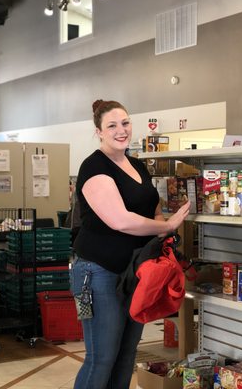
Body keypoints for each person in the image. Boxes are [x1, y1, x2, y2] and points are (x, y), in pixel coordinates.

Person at [70, 99, 190, 389]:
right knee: (101, 358)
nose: (121, 130)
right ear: (99, 131)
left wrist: (161, 220)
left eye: (125, 123)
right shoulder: (94, 167)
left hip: (135, 273)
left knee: (125, 356)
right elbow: (120, 220)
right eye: (112, 125)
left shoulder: (137, 164)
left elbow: (151, 206)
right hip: (98, 273)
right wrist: (167, 225)